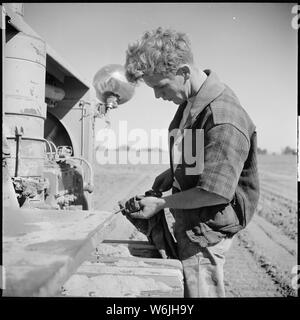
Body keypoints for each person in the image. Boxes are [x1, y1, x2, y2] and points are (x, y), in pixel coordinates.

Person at [122, 27, 260, 297]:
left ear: (184, 72)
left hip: (205, 231)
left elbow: (215, 191)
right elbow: (200, 159)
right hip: (193, 221)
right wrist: (172, 174)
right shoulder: (192, 102)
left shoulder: (223, 117)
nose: (158, 96)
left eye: (160, 86)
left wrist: (162, 203)